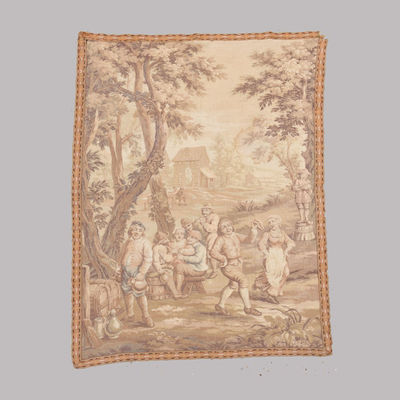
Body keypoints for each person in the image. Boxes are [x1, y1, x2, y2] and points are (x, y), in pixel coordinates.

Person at [210, 218, 262, 316]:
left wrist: (253, 229)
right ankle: (248, 308)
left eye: (229, 225)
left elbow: (249, 240)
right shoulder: (220, 239)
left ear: (232, 226)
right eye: (224, 227)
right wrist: (223, 259)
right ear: (220, 230)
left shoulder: (235, 235)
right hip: (228, 266)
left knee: (233, 285)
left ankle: (220, 306)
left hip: (238, 264)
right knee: (243, 280)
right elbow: (213, 252)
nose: (228, 228)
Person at [117, 221, 154, 327]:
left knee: (140, 293)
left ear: (142, 232)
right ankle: (130, 314)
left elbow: (148, 259)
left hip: (137, 271)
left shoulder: (145, 243)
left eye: (139, 230)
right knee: (127, 293)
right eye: (134, 229)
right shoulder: (127, 242)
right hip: (126, 271)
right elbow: (120, 256)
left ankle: (146, 316)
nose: (136, 232)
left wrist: (142, 273)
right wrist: (118, 268)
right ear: (130, 231)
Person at [254, 215, 295, 303]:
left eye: (273, 221)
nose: (271, 223)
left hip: (281, 254)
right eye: (269, 222)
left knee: (286, 273)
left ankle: (274, 290)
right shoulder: (267, 234)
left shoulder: (282, 233)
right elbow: (261, 244)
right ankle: (271, 294)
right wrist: (265, 253)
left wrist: (287, 250)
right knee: (273, 275)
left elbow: (290, 242)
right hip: (271, 255)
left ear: (278, 222)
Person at [151, 231, 186, 299]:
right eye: (165, 238)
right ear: (161, 240)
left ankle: (176, 293)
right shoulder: (159, 247)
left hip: (163, 266)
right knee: (168, 275)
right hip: (157, 268)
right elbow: (163, 260)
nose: (167, 240)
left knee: (177, 272)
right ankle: (176, 294)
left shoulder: (164, 247)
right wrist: (173, 255)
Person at [175, 230, 208, 295]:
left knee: (179, 267)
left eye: (192, 237)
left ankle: (178, 290)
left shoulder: (200, 247)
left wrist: (183, 257)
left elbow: (197, 259)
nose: (188, 238)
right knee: (177, 266)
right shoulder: (192, 246)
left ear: (197, 239)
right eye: (188, 236)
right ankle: (178, 289)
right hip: (194, 268)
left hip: (198, 270)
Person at [197, 203, 219, 278]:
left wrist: (204, 223)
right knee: (204, 253)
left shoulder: (214, 217)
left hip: (213, 236)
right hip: (206, 237)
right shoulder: (203, 217)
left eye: (206, 210)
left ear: (210, 210)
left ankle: (215, 271)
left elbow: (212, 229)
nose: (204, 212)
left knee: (211, 253)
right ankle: (205, 270)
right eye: (203, 210)